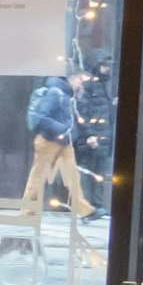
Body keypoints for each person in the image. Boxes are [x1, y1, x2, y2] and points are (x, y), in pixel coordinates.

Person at [20, 68, 91, 221]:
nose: (80, 82)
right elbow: (41, 118)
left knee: (72, 175)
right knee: (39, 176)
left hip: (62, 140)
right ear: (71, 78)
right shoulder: (55, 93)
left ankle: (85, 210)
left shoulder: (65, 94)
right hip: (49, 140)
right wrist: (63, 129)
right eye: (79, 79)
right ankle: (27, 212)